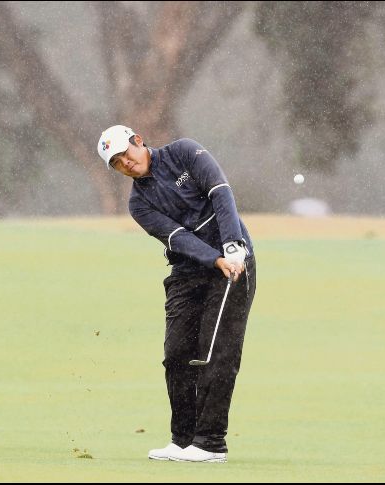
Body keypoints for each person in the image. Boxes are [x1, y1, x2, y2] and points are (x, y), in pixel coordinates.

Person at [97, 125, 256, 463]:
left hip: (234, 261)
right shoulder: (138, 204)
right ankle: (183, 440)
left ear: (139, 141)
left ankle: (211, 443)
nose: (126, 163)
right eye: (117, 163)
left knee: (216, 350)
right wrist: (213, 258)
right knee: (176, 353)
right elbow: (177, 237)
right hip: (190, 269)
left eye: (127, 153)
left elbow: (221, 192)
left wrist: (232, 246)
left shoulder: (184, 152)